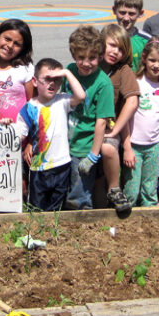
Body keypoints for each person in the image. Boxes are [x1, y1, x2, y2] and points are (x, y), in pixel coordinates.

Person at [63, 25, 122, 211]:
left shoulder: (103, 83)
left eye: (92, 58)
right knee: (67, 188)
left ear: (100, 56)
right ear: (74, 56)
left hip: (84, 146)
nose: (86, 63)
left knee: (80, 194)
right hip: (65, 143)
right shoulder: (70, 71)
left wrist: (93, 155)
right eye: (81, 57)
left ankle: (83, 226)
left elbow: (101, 122)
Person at [14, 58, 85, 211]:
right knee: (36, 208)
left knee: (56, 209)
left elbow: (80, 96)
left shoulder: (63, 100)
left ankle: (53, 233)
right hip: (38, 168)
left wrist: (66, 73)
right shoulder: (28, 109)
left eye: (57, 80)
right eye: (47, 79)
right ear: (34, 81)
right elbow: (19, 136)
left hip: (62, 165)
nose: (52, 83)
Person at [124, 39, 159, 207]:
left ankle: (149, 223)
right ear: (144, 58)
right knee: (131, 190)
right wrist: (127, 148)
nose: (156, 65)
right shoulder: (135, 82)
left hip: (154, 145)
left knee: (149, 189)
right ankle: (127, 222)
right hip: (134, 145)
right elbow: (125, 118)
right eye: (152, 60)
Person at [99, 24, 140, 207]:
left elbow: (132, 102)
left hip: (108, 129)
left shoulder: (123, 71)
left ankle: (114, 189)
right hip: (86, 127)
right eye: (112, 45)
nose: (116, 52)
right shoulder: (90, 64)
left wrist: (115, 130)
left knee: (108, 149)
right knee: (94, 185)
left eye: (121, 49)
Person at [112, 0, 151, 71]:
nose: (126, 18)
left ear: (140, 13)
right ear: (114, 10)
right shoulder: (107, 38)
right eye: (122, 12)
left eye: (131, 14)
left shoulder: (146, 40)